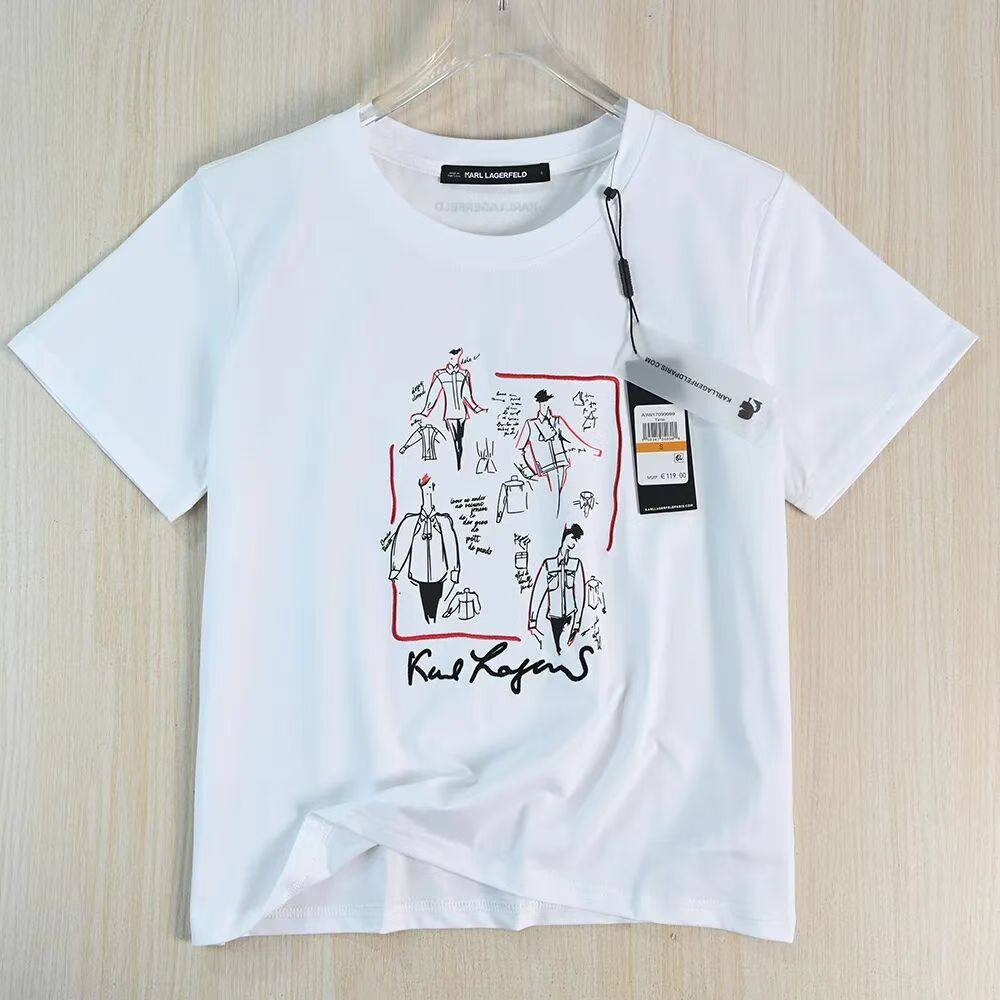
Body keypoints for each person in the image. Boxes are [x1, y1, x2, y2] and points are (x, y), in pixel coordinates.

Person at [515, 389, 601, 513]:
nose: (546, 405)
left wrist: (591, 450)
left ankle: (556, 517)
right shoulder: (531, 424)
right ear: (539, 404)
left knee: (559, 498)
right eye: (543, 402)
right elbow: (519, 449)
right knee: (552, 500)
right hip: (544, 469)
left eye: (547, 402)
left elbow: (572, 439)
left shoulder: (557, 421)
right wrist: (527, 471)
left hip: (561, 464)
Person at [388, 474, 460, 623]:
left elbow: (451, 546)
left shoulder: (443, 521)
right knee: (426, 610)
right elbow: (401, 545)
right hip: (418, 575)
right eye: (424, 487)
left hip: (439, 574)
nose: (427, 491)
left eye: (429, 487)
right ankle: (430, 622)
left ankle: (432, 622)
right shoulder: (410, 522)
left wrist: (454, 571)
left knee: (436, 608)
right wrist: (395, 570)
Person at [411, 347, 486, 470]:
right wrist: (424, 413)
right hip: (450, 414)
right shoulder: (440, 375)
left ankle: (460, 466)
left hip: (462, 413)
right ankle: (457, 466)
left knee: (460, 441)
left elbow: (466, 395)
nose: (454, 359)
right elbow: (433, 395)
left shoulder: (464, 374)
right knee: (455, 441)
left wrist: (477, 409)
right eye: (452, 357)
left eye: (457, 357)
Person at [528, 523, 586, 653]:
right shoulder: (549, 565)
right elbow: (537, 593)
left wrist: (577, 624)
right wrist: (532, 622)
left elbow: (581, 596)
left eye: (577, 540)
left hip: (570, 617)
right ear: (564, 537)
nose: (574, 542)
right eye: (573, 538)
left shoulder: (576, 564)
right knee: (555, 650)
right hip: (553, 619)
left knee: (566, 651)